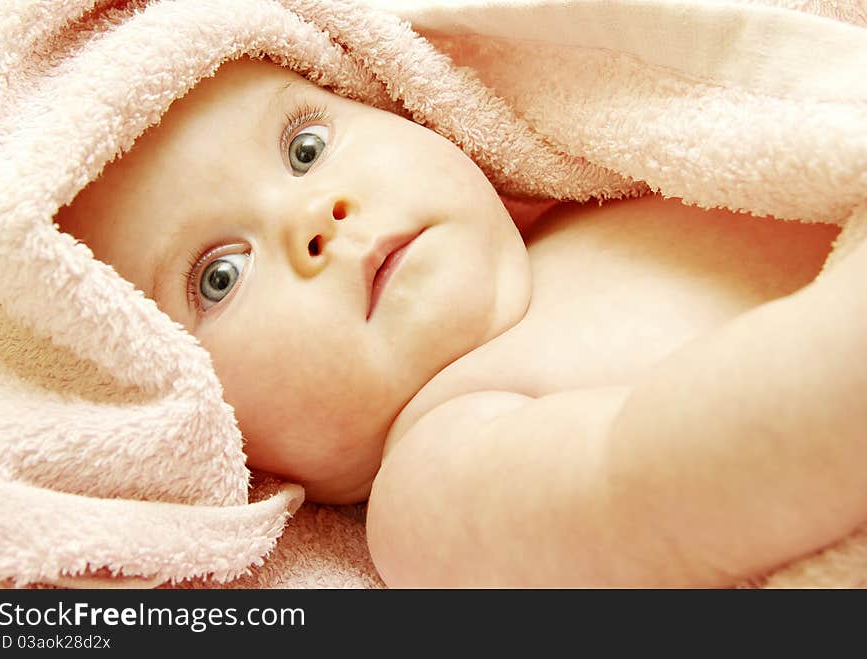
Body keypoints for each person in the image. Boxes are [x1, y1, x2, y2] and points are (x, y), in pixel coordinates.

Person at [55, 56, 867, 587]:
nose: (315, 215)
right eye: (219, 276)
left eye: (305, 147)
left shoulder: (603, 187)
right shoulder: (435, 473)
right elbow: (676, 485)